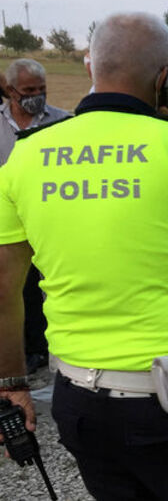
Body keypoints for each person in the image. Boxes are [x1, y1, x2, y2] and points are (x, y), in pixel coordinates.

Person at [0, 12, 168, 499]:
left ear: (92, 68)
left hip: (79, 401)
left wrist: (12, 385)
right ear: (165, 79)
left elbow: (4, 289)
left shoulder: (26, 155)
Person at [0, 59, 71, 375]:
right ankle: (32, 349)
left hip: (52, 215)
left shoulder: (63, 122)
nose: (36, 96)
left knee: (57, 280)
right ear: (11, 90)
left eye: (42, 89)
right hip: (11, 219)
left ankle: (61, 340)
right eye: (29, 90)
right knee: (21, 287)